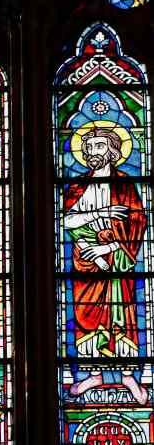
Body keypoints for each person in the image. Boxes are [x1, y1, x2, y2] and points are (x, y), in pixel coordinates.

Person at [64, 127, 147, 405]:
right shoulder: (77, 186)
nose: (91, 153)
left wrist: (109, 247)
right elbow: (67, 221)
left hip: (115, 262)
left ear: (112, 150)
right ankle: (93, 375)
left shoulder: (124, 184)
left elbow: (137, 223)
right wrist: (99, 214)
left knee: (120, 316)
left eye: (98, 147)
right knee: (87, 317)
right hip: (85, 263)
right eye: (88, 147)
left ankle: (127, 376)